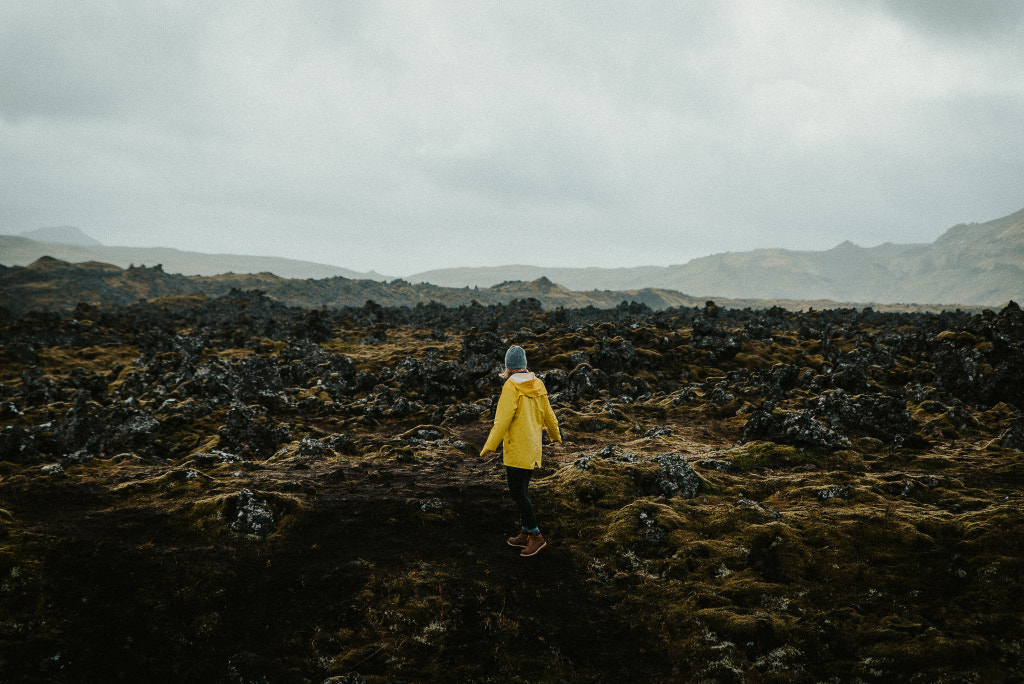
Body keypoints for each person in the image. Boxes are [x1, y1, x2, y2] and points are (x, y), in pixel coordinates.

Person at [480, 345, 562, 557]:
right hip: (533, 448)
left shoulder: (511, 387)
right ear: (524, 364)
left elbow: (502, 420)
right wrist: (555, 435)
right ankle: (526, 532)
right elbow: (549, 414)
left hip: (517, 449)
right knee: (523, 491)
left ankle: (536, 536)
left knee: (519, 494)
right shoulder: (538, 384)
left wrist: (490, 445)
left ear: (508, 367)